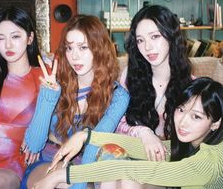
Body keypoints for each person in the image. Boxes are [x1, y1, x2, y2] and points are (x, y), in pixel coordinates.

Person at [31, 77, 223, 189]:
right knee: (113, 151)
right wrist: (87, 136)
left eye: (196, 117)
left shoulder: (209, 162)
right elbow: (138, 146)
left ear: (215, 123)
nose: (183, 121)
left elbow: (130, 170)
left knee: (126, 174)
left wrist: (60, 176)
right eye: (181, 110)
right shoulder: (193, 143)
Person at [21, 15, 130, 189]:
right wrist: (48, 95)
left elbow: (94, 146)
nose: (75, 56)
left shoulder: (118, 96)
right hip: (48, 160)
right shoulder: (56, 85)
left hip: (85, 165)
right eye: (69, 48)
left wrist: (75, 182)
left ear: (99, 48)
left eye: (83, 47)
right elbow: (34, 145)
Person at [116, 5, 192, 161]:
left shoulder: (191, 85)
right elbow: (116, 123)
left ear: (171, 36)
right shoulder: (129, 77)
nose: (147, 47)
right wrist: (144, 133)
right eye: (140, 40)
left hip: (171, 163)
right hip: (136, 156)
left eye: (155, 37)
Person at [0, 6, 42, 189]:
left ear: (30, 38)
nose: (8, 45)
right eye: (0, 38)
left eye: (16, 36)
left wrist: (35, 133)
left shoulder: (45, 77)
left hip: (9, 163)